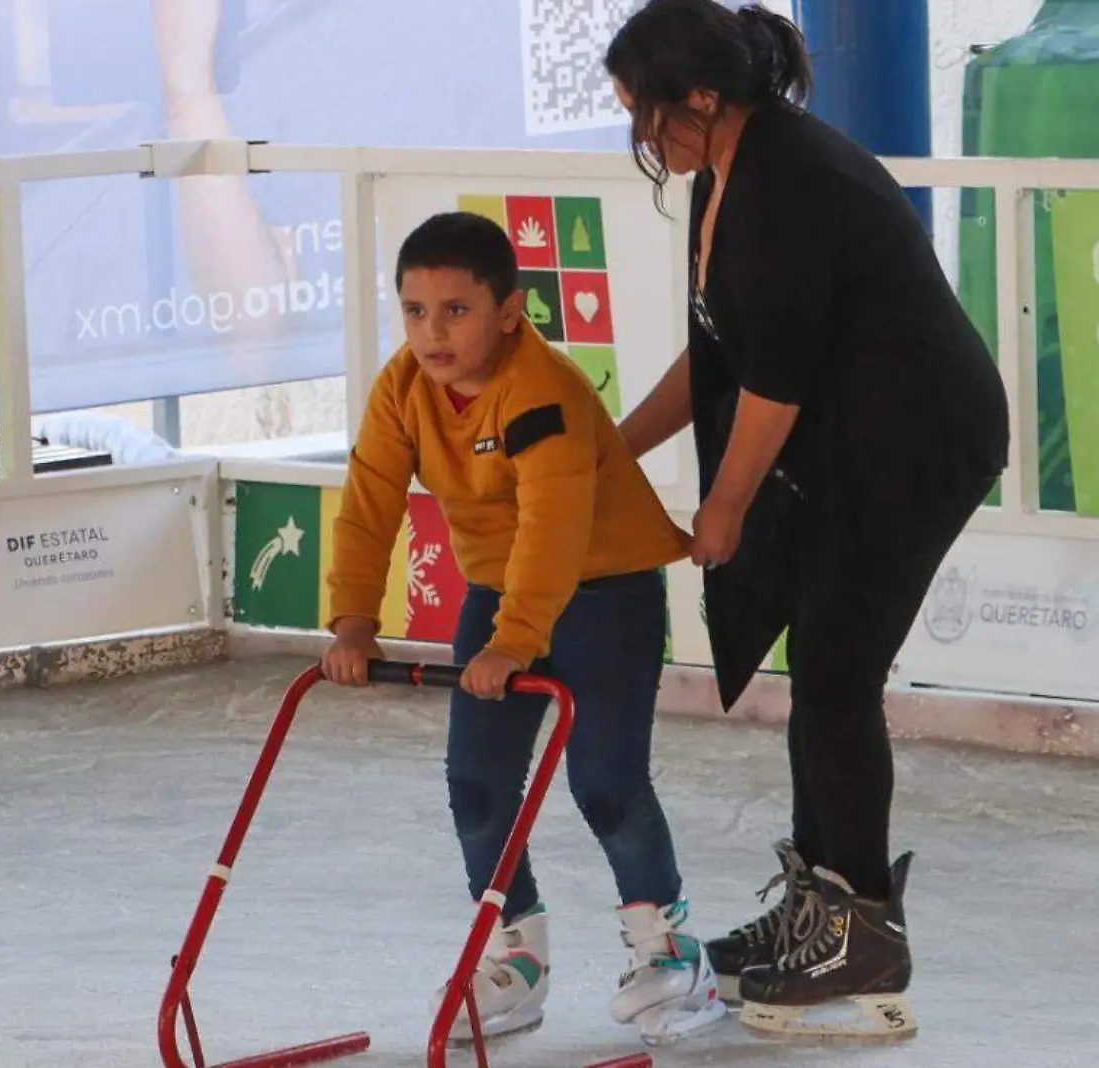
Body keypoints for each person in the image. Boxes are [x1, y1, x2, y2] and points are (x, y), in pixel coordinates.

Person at [604, 0, 1012, 1043]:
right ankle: (819, 904)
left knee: (835, 673)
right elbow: (715, 354)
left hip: (918, 443)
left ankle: (864, 940)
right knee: (818, 671)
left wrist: (723, 508)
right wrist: (609, 451)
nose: (642, 139)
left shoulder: (789, 181)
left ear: (699, 97)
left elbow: (773, 384)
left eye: (644, 116)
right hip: (854, 436)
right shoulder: (725, 167)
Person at [320, 212, 727, 1047]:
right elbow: (368, 504)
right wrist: (354, 620)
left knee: (606, 785)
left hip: (604, 593)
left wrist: (513, 641)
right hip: (502, 597)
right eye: (415, 310)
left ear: (510, 311)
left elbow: (553, 527)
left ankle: (672, 952)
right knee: (476, 786)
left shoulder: (542, 391)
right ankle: (517, 956)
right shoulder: (402, 388)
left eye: (456, 311)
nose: (433, 332)